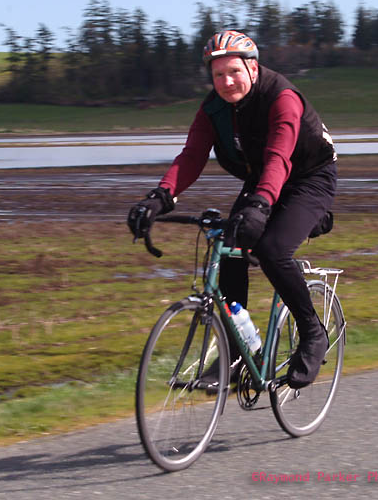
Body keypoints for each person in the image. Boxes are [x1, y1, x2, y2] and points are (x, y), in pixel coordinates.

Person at [128, 30, 337, 389]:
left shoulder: (282, 98)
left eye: (234, 72)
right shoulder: (214, 109)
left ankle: (312, 332)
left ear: (253, 69)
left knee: (272, 250)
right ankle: (237, 354)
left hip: (308, 177)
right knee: (230, 250)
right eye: (218, 75)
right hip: (262, 179)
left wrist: (261, 204)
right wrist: (159, 197)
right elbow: (191, 156)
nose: (226, 82)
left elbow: (279, 157)